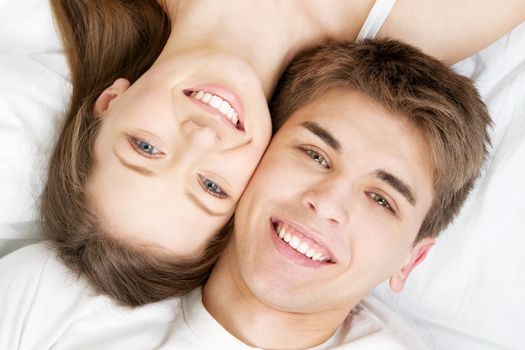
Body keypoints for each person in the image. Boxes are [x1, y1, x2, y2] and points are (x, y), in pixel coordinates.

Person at [0, 38, 491, 349]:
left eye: (382, 199)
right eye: (315, 155)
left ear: (410, 261)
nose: (327, 202)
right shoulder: (52, 296)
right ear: (256, 155)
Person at [41, 0, 523, 307]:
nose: (203, 138)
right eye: (212, 187)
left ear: (110, 100)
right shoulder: (429, 25)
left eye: (145, 147)